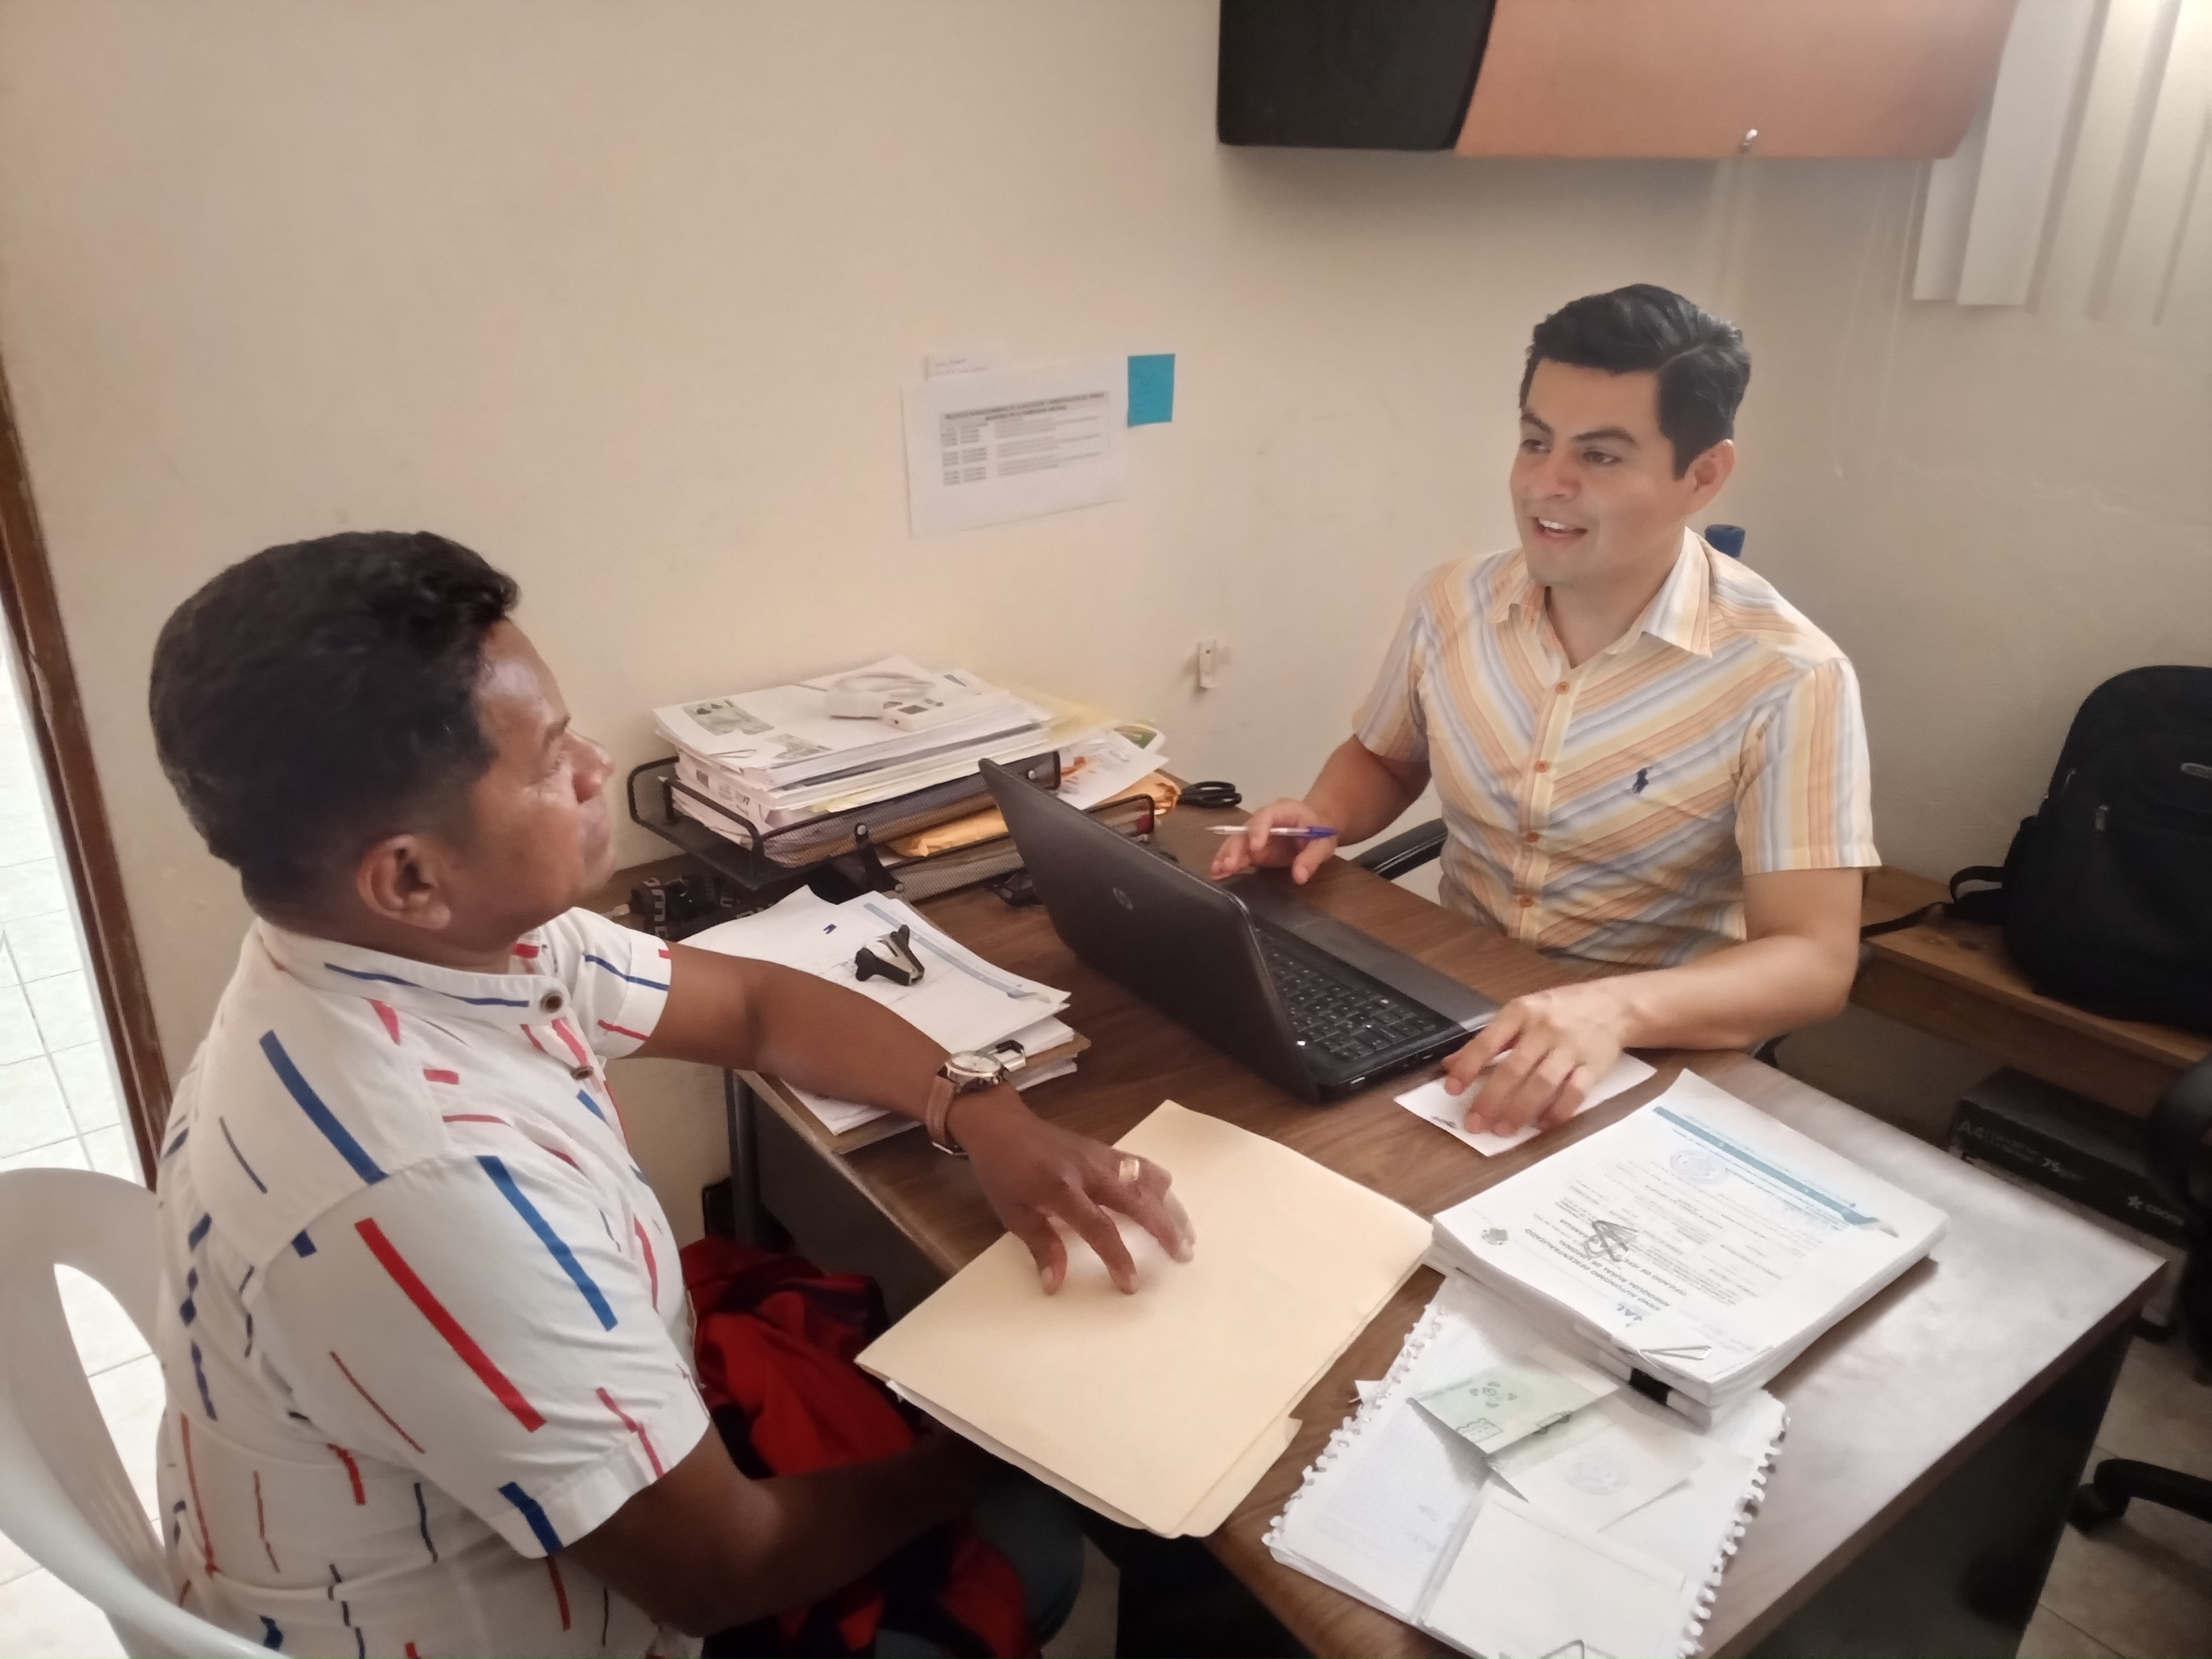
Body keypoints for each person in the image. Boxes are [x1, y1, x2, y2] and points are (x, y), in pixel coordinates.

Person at [144, 532, 1193, 1657]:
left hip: (524, 1526)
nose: (597, 765)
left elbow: (752, 1006)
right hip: (577, 1625)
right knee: (1040, 1539)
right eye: (548, 762)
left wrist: (986, 1113)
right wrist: (988, 1448)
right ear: (408, 874)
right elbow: (724, 1569)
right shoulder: (427, 1183)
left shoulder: (414, 951)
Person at [1215, 284, 1876, 1138]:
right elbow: (1385, 758)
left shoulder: (1790, 678)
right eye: (1536, 442)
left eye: (1599, 457)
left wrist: (1613, 1009)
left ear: (1702, 475)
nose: (1545, 485)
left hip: (1647, 1050)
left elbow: (1814, 962)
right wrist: (1320, 818)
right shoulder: (1452, 601)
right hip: (1450, 1003)